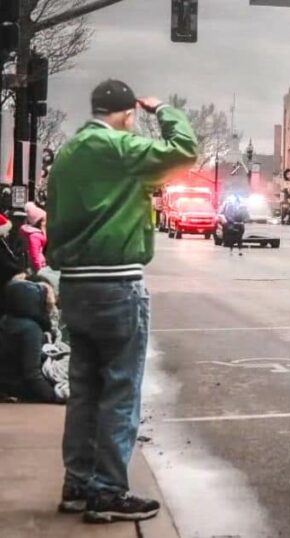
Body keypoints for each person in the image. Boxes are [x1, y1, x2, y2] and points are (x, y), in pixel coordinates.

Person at [47, 79, 198, 523]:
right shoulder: (121, 148)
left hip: (74, 283)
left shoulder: (69, 154)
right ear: (127, 114)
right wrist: (164, 110)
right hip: (117, 282)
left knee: (84, 388)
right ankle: (108, 490)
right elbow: (183, 151)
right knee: (119, 388)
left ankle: (77, 483)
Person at [0, 280, 65, 403]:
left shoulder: (6, 321)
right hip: (20, 388)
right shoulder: (30, 330)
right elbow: (32, 374)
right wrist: (54, 396)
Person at [21, 202, 48, 273]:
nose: (45, 222)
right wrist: (39, 271)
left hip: (40, 264)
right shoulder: (34, 236)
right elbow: (34, 255)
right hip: (38, 267)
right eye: (43, 220)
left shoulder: (37, 234)